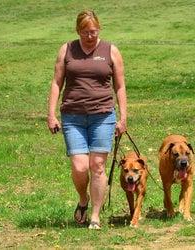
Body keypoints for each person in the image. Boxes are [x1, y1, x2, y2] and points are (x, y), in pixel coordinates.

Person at [47, 10, 127, 230]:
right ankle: (83, 199)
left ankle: (95, 216)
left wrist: (123, 117)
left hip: (102, 115)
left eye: (93, 31)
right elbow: (56, 82)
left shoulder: (111, 51)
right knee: (80, 167)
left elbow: (119, 86)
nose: (90, 36)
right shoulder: (67, 50)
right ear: (78, 31)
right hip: (72, 116)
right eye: (85, 32)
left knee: (98, 165)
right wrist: (51, 114)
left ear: (99, 29)